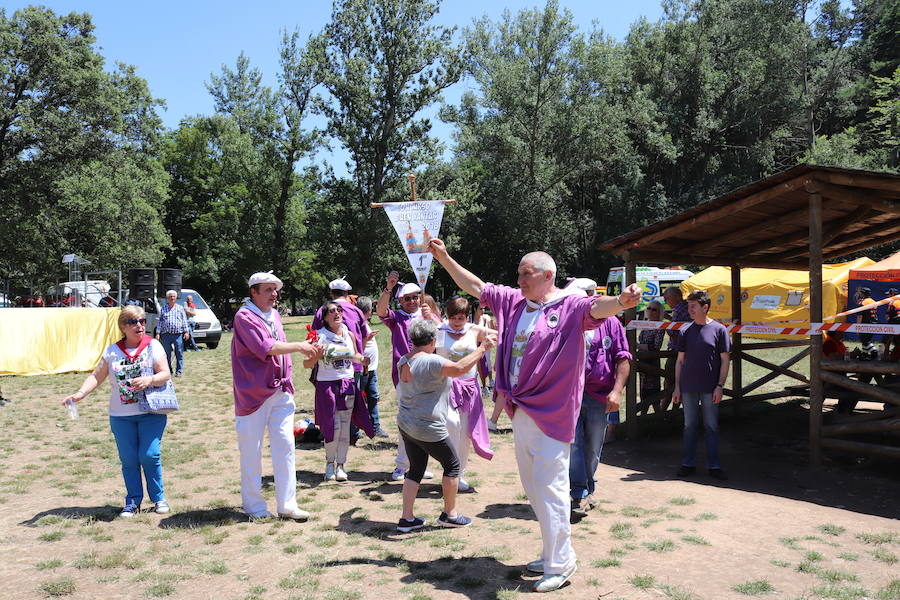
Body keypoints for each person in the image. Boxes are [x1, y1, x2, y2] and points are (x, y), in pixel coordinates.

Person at [427, 238, 640, 593]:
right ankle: (553, 551)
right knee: (534, 486)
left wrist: (620, 302)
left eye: (527, 274)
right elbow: (475, 285)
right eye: (519, 274)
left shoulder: (570, 304)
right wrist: (444, 257)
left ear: (548, 275)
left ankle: (561, 562)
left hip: (553, 411)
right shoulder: (513, 301)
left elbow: (598, 307)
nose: (520, 279)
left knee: (552, 486)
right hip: (520, 407)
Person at [62, 305, 172, 517]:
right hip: (121, 417)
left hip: (151, 413)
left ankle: (159, 499)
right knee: (129, 459)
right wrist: (79, 394)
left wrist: (149, 379)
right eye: (133, 322)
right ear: (123, 326)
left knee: (149, 455)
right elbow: (96, 376)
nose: (139, 325)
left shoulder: (154, 346)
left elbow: (165, 373)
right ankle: (132, 501)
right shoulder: (112, 351)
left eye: (141, 321)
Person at [231, 272, 318, 520]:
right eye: (268, 289)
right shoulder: (244, 316)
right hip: (253, 395)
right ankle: (254, 506)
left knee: (286, 447)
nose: (274, 294)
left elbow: (278, 347)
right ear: (253, 292)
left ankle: (287, 505)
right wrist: (300, 346)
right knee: (251, 451)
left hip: (281, 391)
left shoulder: (275, 314)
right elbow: (266, 347)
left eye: (275, 289)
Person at [395, 319, 497, 532]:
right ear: (433, 340)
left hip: (407, 424)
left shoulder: (404, 359)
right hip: (427, 427)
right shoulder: (431, 361)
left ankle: (407, 518)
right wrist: (483, 348)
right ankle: (449, 515)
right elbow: (460, 368)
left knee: (415, 469)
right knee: (452, 466)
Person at [304, 300, 374, 481]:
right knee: (330, 426)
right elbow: (307, 364)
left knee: (344, 427)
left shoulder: (349, 334)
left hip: (347, 383)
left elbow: (356, 355)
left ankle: (341, 465)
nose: (337, 313)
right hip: (326, 385)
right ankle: (329, 464)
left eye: (339, 310)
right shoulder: (317, 336)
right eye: (333, 311)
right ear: (325, 317)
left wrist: (363, 360)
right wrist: (317, 356)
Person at [570, 315, 631, 517]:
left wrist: (617, 390)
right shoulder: (570, 317)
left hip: (599, 395)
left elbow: (623, 357)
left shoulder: (611, 323)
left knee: (594, 447)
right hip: (570, 394)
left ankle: (588, 487)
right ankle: (578, 492)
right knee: (574, 444)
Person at [376, 272, 434, 481]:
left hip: (426, 375)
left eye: (415, 297)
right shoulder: (397, 318)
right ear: (400, 300)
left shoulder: (427, 315)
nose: (412, 301)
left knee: (424, 421)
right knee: (406, 420)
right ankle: (402, 465)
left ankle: (420, 465)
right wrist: (388, 288)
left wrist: (431, 316)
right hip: (405, 375)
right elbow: (381, 311)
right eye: (407, 298)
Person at [436, 296, 497, 492]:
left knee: (464, 434)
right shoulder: (439, 331)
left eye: (461, 318)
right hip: (445, 387)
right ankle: (449, 469)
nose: (456, 322)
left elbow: (503, 334)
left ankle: (458, 473)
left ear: (467, 316)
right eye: (453, 317)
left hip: (469, 388)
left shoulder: (474, 330)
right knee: (451, 426)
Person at [672, 290, 731, 481]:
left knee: (711, 426)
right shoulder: (685, 331)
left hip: (710, 388)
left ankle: (714, 465)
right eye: (689, 306)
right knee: (689, 426)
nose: (689, 310)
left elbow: (725, 360)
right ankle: (688, 463)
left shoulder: (719, 330)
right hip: (688, 387)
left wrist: (720, 386)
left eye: (693, 306)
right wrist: (677, 387)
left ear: (705, 307)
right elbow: (680, 361)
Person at [312, 278, 373, 444]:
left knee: (331, 404)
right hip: (353, 365)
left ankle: (332, 434)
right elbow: (365, 336)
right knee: (352, 402)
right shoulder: (357, 311)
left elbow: (314, 336)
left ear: (331, 293)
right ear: (347, 294)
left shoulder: (322, 311)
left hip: (328, 368)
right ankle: (351, 433)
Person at [355, 296, 389, 438]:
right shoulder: (357, 323)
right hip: (362, 368)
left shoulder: (363, 322)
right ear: (369, 310)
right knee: (359, 399)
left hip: (371, 368)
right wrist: (367, 339)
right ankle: (355, 430)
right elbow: (356, 346)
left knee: (373, 397)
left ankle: (375, 427)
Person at [637, 301, 667, 414]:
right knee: (643, 393)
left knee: (654, 396)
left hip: (652, 363)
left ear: (659, 312)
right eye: (648, 308)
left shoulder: (660, 326)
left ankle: (659, 421)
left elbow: (656, 346)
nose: (650, 311)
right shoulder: (645, 324)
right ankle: (642, 420)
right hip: (642, 362)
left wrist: (639, 346)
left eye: (654, 309)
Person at [662, 286, 689, 410]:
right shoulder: (686, 306)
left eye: (666, 298)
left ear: (676, 297)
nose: (665, 300)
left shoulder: (678, 308)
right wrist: (669, 319)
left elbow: (674, 333)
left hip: (677, 351)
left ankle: (666, 413)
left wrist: (665, 326)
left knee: (670, 382)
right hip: (687, 350)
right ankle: (674, 410)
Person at [157, 290, 190, 377]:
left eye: (173, 296)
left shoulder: (180, 308)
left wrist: (186, 332)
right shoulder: (163, 308)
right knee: (166, 354)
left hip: (178, 335)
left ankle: (179, 371)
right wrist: (158, 333)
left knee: (179, 353)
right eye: (170, 297)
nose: (172, 298)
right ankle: (168, 371)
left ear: (176, 298)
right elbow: (160, 322)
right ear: (167, 298)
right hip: (166, 335)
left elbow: (184, 321)